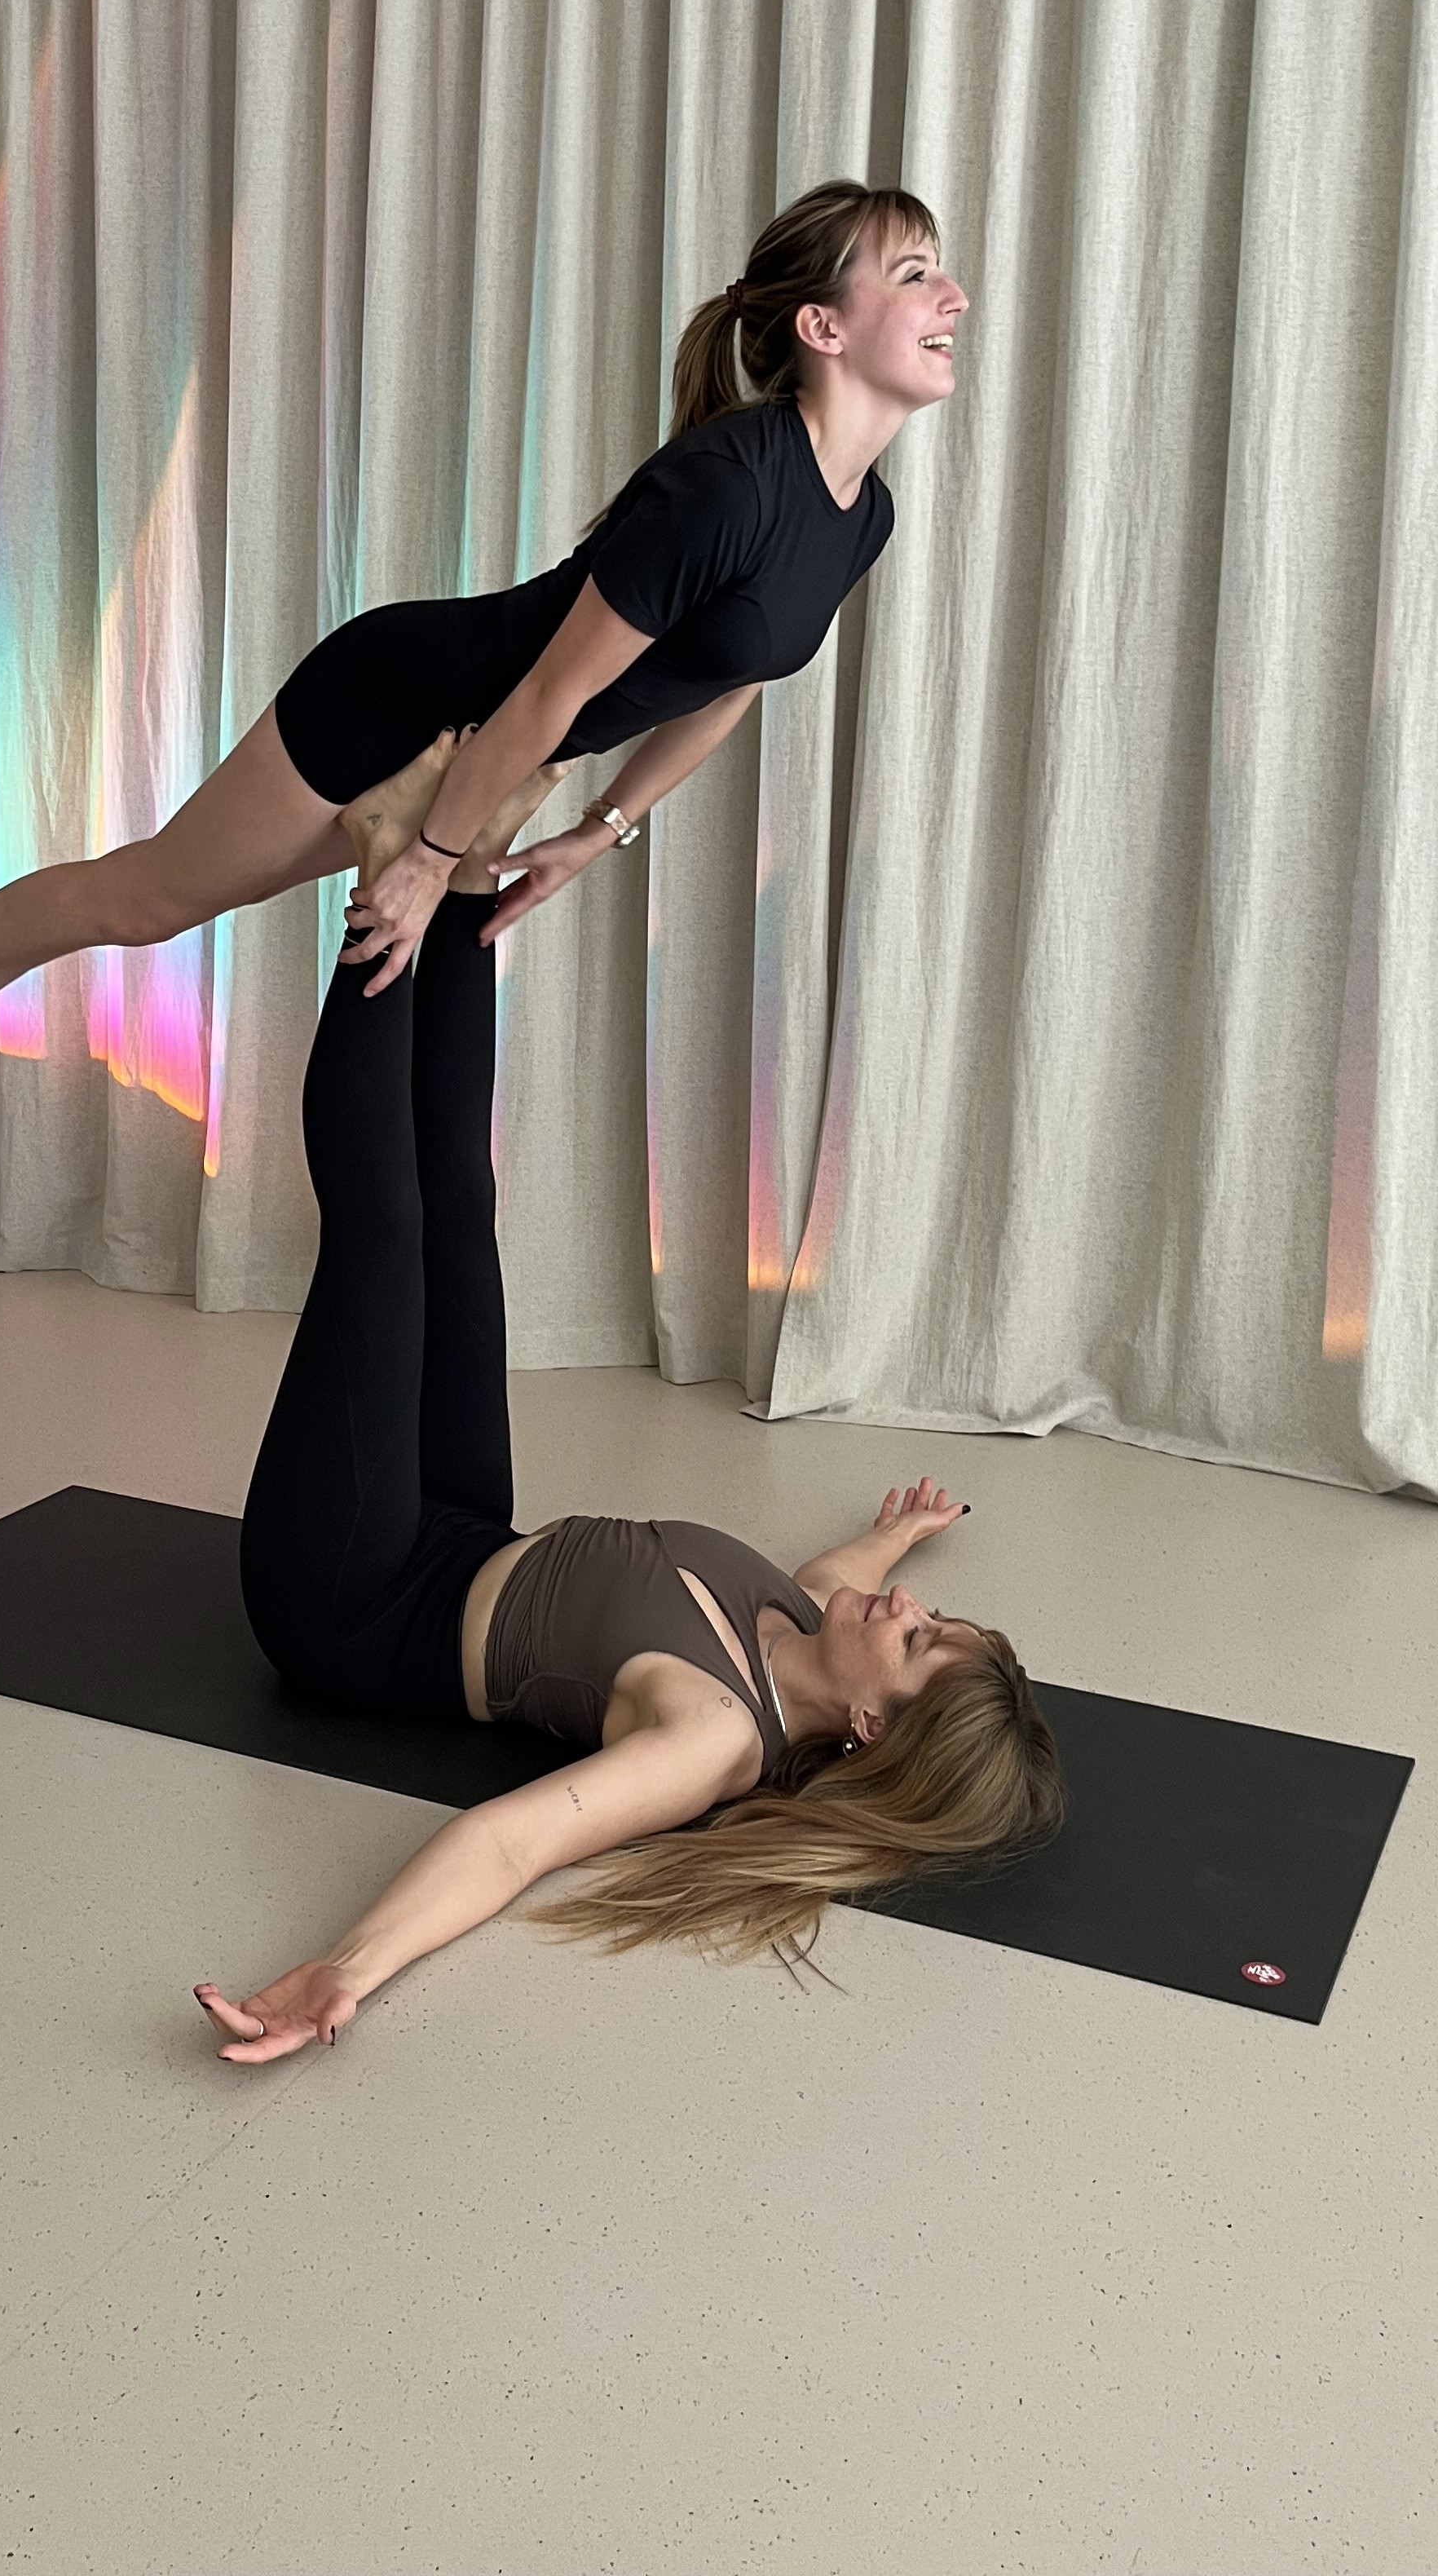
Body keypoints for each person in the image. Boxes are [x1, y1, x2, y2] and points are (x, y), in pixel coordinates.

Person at [0, 179, 968, 1106]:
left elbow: (735, 680)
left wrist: (601, 830)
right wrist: (428, 855)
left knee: (162, 903)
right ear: (823, 326)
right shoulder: (729, 483)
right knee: (151, 903)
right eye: (915, 275)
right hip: (405, 699)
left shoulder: (860, 513)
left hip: (474, 760)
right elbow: (549, 699)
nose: (953, 296)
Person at [193, 881, 1064, 2065]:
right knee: (461, 1204)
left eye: (917, 1643)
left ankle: (387, 876)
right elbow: (835, 1569)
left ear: (866, 1727)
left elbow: (510, 1844)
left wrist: (348, 1968)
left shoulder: (710, 1740)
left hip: (354, 1597)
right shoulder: (807, 1619)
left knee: (384, 1234)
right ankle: (459, 881)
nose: (909, 1613)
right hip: (462, 1529)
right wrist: (901, 1538)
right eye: (939, 1617)